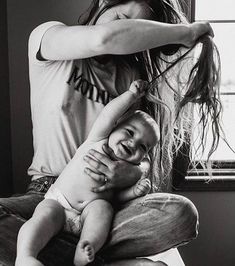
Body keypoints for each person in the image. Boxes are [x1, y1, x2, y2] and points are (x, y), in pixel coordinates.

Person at [0, 0, 221, 265]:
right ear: (104, 3)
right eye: (122, 18)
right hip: (47, 193)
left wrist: (134, 172)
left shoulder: (131, 78)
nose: (126, 31)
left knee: (181, 215)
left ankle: (69, 249)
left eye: (136, 30)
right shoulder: (48, 38)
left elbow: (139, 143)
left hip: (105, 205)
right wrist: (185, 33)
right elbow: (104, 38)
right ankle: (96, 259)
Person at [16, 79, 161, 266]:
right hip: (60, 203)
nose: (133, 143)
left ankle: (85, 249)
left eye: (143, 146)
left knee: (104, 209)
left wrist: (134, 192)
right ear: (115, 126)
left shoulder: (126, 171)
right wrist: (131, 95)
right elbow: (108, 114)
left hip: (87, 218)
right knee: (43, 216)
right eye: (130, 132)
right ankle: (26, 256)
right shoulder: (97, 139)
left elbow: (118, 198)